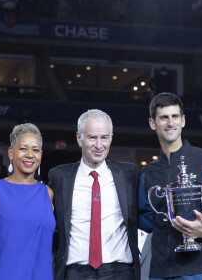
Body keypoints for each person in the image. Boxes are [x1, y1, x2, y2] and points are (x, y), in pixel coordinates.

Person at [49, 109, 140, 280]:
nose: (99, 145)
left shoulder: (129, 174)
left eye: (104, 137)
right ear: (79, 138)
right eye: (92, 137)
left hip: (120, 272)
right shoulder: (59, 176)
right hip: (75, 272)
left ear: (111, 138)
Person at [138, 92, 202, 279]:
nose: (170, 123)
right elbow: (146, 220)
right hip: (161, 271)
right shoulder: (149, 171)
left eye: (175, 116)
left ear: (183, 121)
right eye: (164, 117)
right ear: (153, 123)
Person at [0, 123, 55, 280]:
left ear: (41, 154)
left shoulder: (47, 194)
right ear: (11, 152)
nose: (30, 154)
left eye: (35, 150)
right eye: (23, 148)